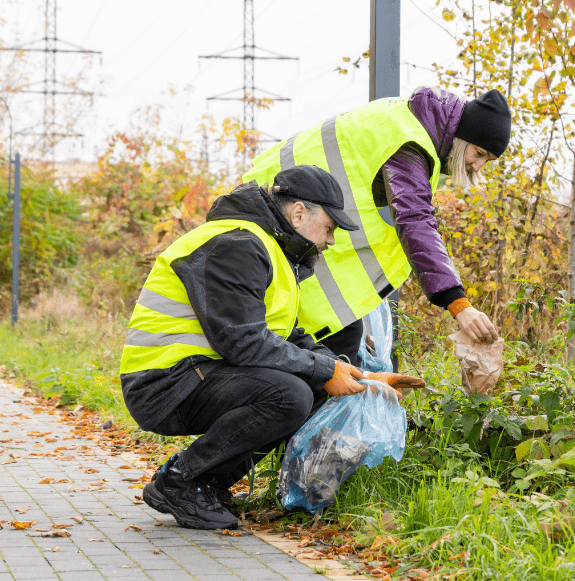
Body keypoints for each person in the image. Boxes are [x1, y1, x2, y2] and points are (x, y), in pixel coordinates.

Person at [118, 165, 415, 530]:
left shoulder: (266, 248)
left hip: (193, 373)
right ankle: (181, 480)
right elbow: (242, 342)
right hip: (162, 382)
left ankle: (207, 485)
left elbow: (283, 335)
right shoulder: (236, 244)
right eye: (331, 227)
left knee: (306, 386)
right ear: (299, 213)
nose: (332, 240)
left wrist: (362, 376)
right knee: (289, 395)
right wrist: (324, 371)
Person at [243, 87, 511, 363]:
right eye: (478, 153)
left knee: (331, 345)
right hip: (277, 222)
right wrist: (458, 304)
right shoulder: (410, 142)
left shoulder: (403, 119)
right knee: (324, 351)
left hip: (276, 216)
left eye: (486, 161)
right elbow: (415, 220)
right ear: (460, 136)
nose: (477, 166)